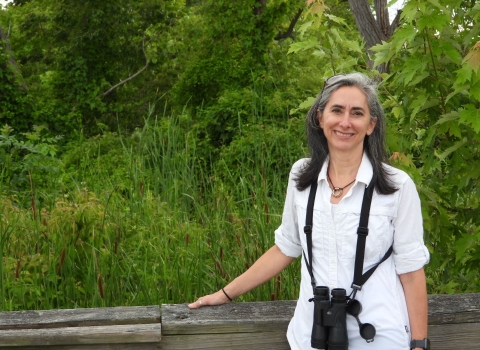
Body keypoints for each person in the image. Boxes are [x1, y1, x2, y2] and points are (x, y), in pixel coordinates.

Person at [188, 73, 430, 350]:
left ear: (371, 125)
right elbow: (285, 248)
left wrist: (419, 344)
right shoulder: (301, 176)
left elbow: (411, 271)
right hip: (310, 336)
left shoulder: (397, 187)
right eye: (336, 110)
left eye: (357, 113)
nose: (345, 122)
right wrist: (225, 294)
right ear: (320, 117)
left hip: (378, 336)